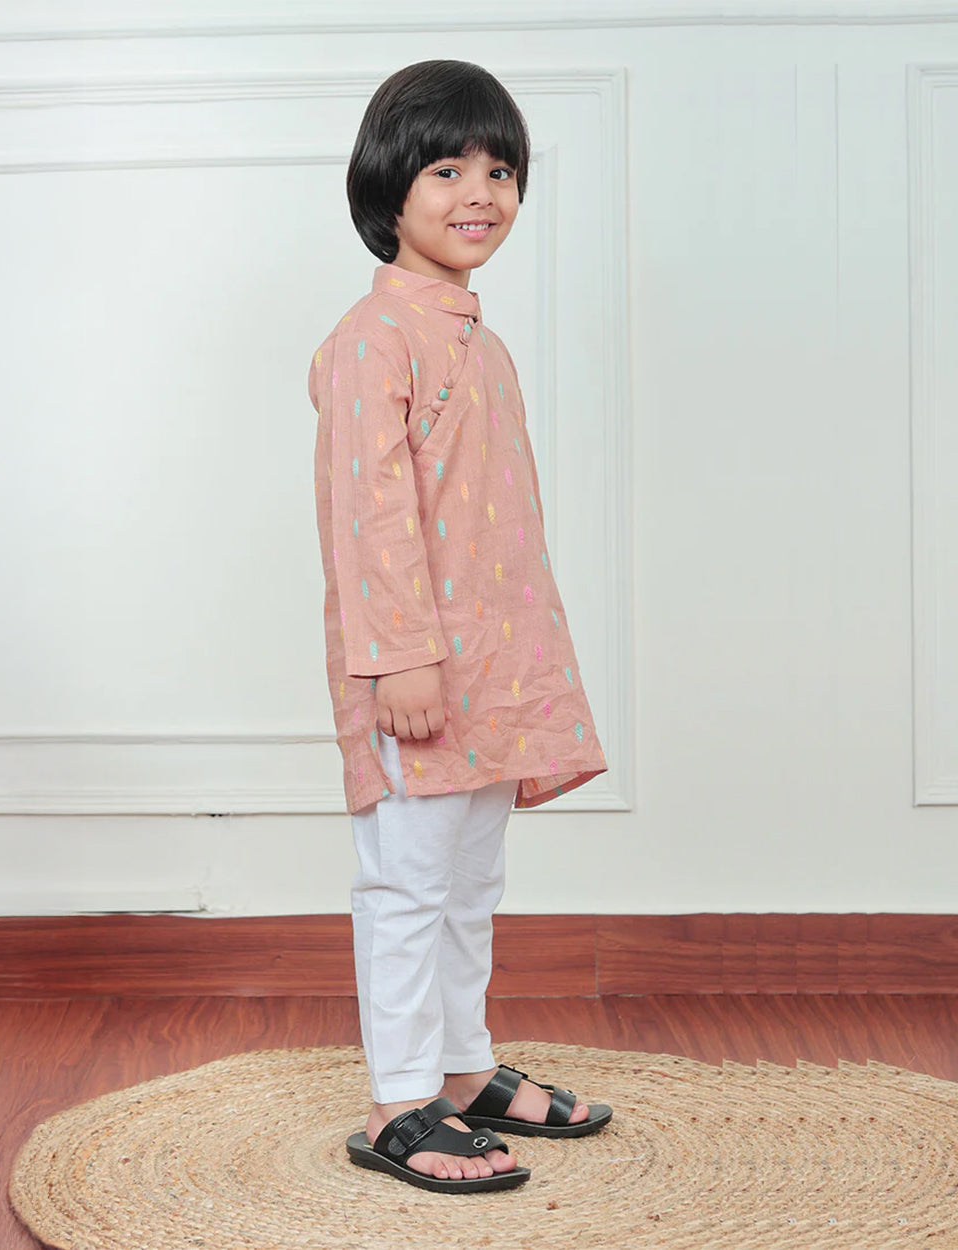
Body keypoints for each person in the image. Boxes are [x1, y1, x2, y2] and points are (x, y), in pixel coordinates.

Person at [308, 59, 611, 1194]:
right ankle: (399, 1100)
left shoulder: (478, 340)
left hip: (490, 667)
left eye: (499, 170)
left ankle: (460, 1067)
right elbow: (369, 514)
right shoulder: (372, 339)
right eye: (446, 169)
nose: (479, 192)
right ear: (389, 187)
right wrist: (399, 660)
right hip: (416, 673)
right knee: (407, 883)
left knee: (470, 882)